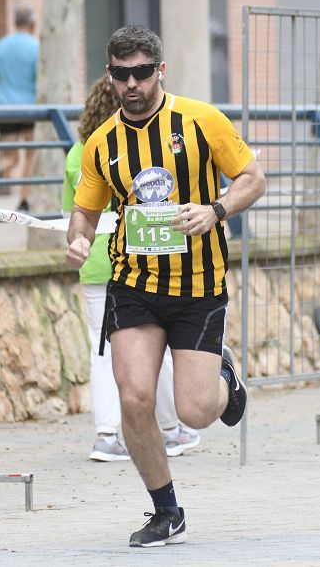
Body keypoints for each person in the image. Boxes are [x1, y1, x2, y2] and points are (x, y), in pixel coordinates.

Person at [66, 25, 266, 547]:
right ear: (109, 75)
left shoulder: (201, 121)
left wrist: (216, 209)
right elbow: (84, 213)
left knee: (194, 410)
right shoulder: (101, 143)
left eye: (140, 73)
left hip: (198, 284)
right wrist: (78, 241)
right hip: (133, 284)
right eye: (120, 74)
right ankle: (166, 511)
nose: (130, 84)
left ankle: (225, 379)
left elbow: (253, 178)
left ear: (160, 71)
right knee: (134, 398)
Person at [63, 74, 200, 463]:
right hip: (138, 266)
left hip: (94, 264)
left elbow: (75, 212)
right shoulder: (139, 152)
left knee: (103, 352)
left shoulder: (78, 153)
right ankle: (171, 428)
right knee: (162, 350)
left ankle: (107, 433)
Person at [0, 5, 40, 212]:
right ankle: (24, 200)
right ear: (32, 24)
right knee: (30, 156)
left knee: (11, 158)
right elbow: (40, 80)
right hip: (30, 110)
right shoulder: (36, 47)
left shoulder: (0, 46)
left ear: (15, 22)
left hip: (5, 109)